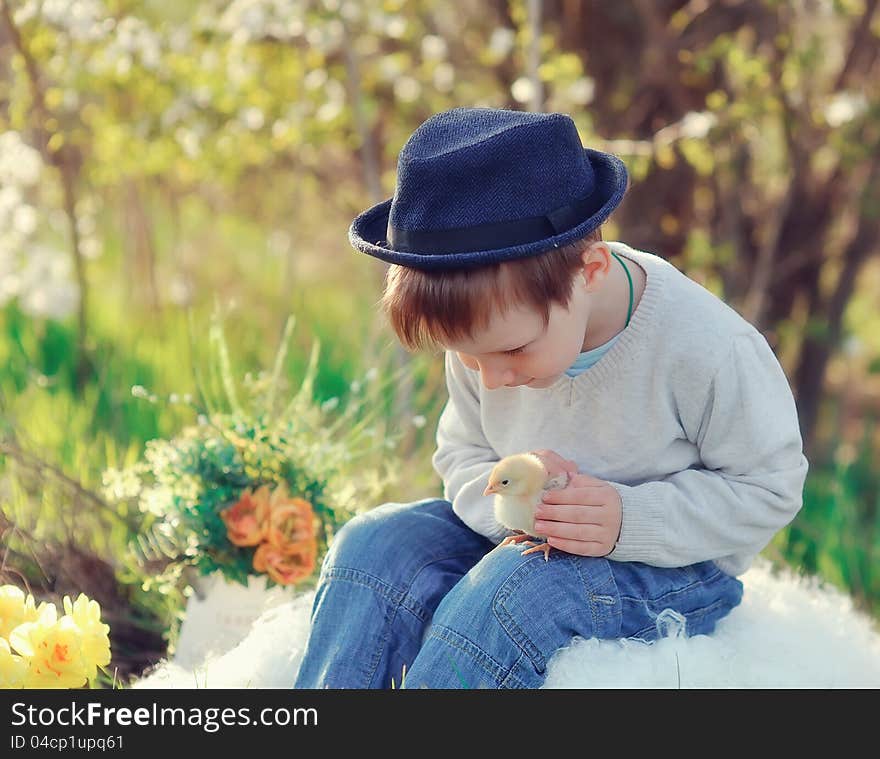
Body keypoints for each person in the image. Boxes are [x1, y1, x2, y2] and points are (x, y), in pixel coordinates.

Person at [293, 107, 809, 689]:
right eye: (467, 356)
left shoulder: (707, 348)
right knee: (375, 543)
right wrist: (507, 511)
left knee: (519, 591)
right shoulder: (489, 336)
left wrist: (626, 519)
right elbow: (461, 455)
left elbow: (769, 487)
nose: (490, 379)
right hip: (524, 542)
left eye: (512, 352)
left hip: (668, 566)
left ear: (588, 271)